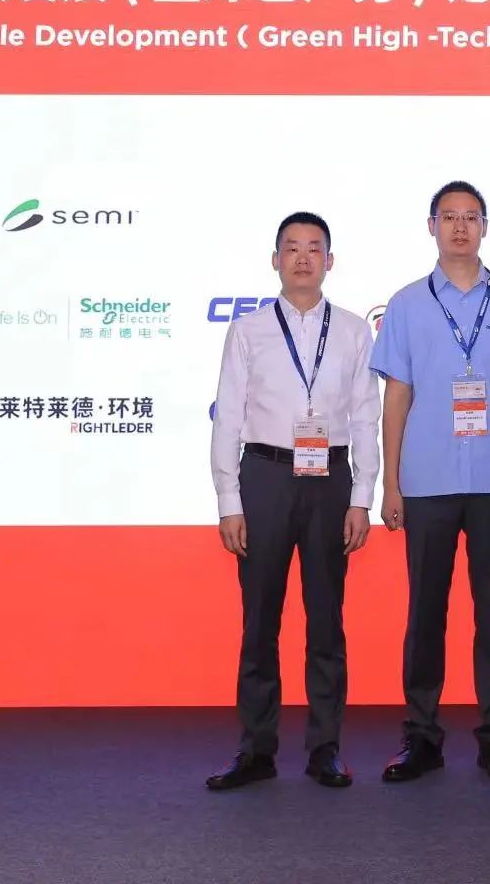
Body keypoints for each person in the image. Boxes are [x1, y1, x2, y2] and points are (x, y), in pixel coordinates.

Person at [373, 181, 490, 783]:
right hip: (427, 479)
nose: (461, 227)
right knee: (425, 612)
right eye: (449, 217)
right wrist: (391, 484)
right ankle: (421, 737)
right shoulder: (406, 304)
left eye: (471, 217)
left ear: (485, 227)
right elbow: (396, 397)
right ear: (431, 226)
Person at [206, 211, 380, 792]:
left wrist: (362, 495)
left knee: (327, 619)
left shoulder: (353, 331)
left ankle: (325, 748)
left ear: (330, 261)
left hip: (330, 479)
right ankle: (255, 750)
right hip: (265, 476)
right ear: (275, 259)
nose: (303, 258)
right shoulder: (248, 331)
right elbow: (228, 415)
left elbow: (366, 415)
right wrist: (229, 500)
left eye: (314, 248)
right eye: (291, 247)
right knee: (260, 621)